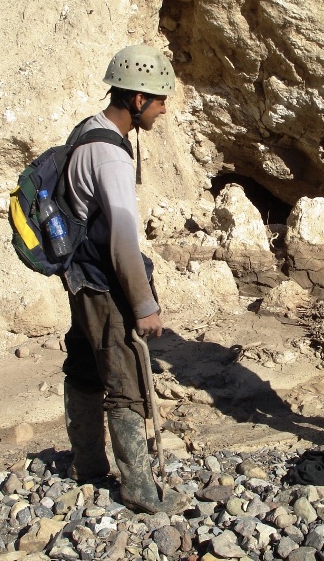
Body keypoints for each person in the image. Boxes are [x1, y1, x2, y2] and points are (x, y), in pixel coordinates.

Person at [60, 44, 189, 514]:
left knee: (85, 367)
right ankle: (138, 489)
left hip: (79, 276)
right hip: (105, 282)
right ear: (136, 100)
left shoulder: (85, 131)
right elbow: (122, 240)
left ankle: (88, 466)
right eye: (159, 99)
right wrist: (145, 305)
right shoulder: (111, 156)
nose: (163, 108)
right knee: (126, 382)